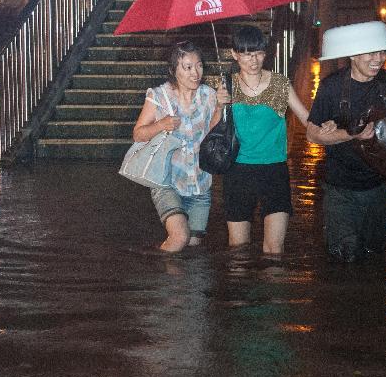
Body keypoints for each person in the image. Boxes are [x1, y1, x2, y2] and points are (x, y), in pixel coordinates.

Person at [306, 21, 386, 263]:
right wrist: (351, 134)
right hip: (341, 189)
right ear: (354, 55)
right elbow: (313, 134)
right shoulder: (331, 86)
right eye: (371, 52)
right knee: (342, 258)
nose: (378, 59)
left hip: (382, 187)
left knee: (374, 255)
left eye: (382, 51)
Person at [218, 25, 333, 255]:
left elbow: (306, 119)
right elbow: (213, 130)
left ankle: (273, 289)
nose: (254, 60)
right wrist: (219, 104)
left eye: (259, 53)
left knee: (274, 248)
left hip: (274, 171)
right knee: (238, 249)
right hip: (238, 172)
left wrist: (325, 126)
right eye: (247, 54)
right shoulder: (226, 85)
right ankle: (241, 290)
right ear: (234, 54)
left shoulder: (280, 84)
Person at [132, 41, 225, 252]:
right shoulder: (159, 96)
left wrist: (219, 107)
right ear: (174, 70)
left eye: (199, 65)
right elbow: (138, 134)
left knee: (193, 247)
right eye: (188, 67)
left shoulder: (209, 95)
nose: (195, 73)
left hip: (200, 183)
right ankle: (158, 279)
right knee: (179, 238)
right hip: (167, 182)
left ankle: (182, 285)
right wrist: (160, 124)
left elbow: (211, 134)